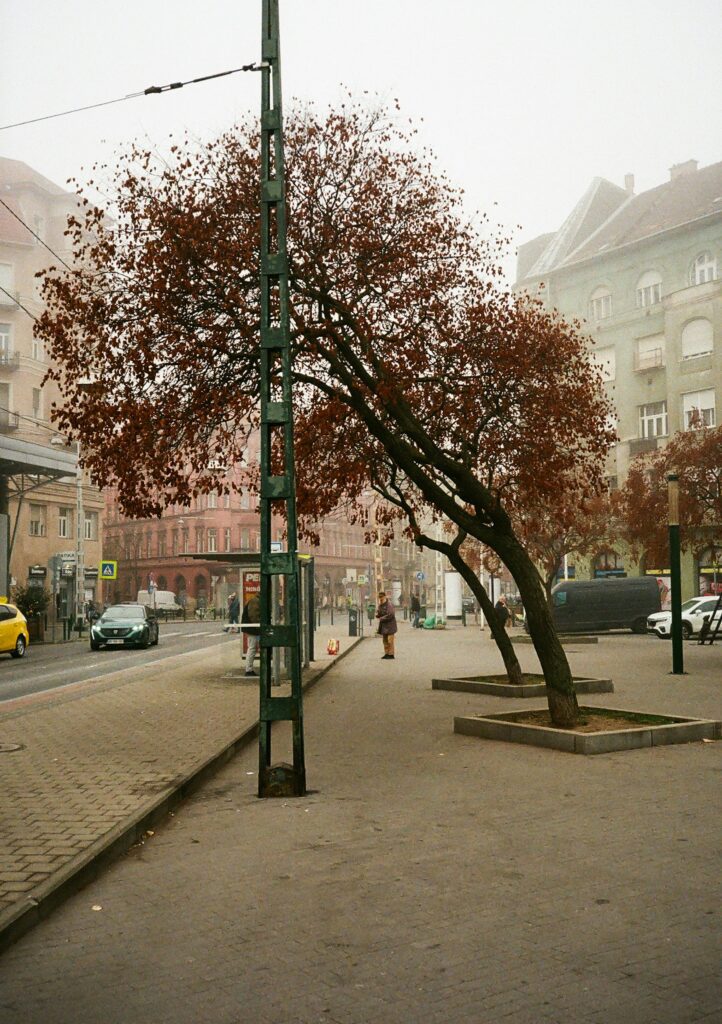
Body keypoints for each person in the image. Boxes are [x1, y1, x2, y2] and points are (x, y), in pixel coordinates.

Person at [241, 593, 261, 677]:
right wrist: (259, 626)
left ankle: (249, 669)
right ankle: (248, 670)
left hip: (252, 628)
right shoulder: (256, 601)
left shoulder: (254, 600)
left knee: (252, 648)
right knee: (252, 648)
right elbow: (254, 616)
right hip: (253, 628)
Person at [375, 591, 398, 659]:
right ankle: (386, 653)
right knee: (385, 640)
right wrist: (377, 615)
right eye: (379, 597)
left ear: (385, 597)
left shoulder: (389, 605)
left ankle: (391, 654)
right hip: (384, 626)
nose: (380, 599)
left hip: (390, 626)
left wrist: (381, 618)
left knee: (390, 640)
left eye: (381, 597)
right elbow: (380, 613)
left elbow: (391, 614)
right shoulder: (380, 605)